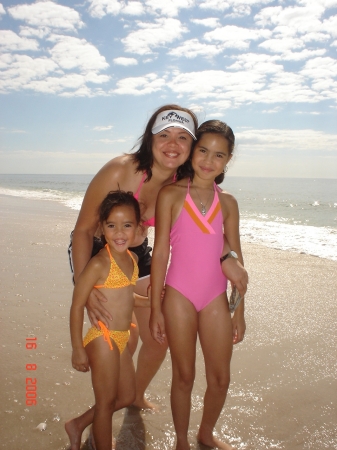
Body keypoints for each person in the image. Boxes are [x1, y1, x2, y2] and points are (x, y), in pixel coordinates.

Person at [66, 105, 248, 443]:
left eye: (182, 137)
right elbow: (82, 230)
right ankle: (97, 412)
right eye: (164, 135)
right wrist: (85, 287)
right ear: (150, 137)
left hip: (137, 255)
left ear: (191, 146)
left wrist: (229, 258)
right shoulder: (122, 169)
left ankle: (134, 395)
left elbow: (209, 231)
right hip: (97, 251)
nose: (172, 144)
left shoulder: (183, 180)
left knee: (158, 337)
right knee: (124, 338)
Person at [150, 120, 246, 450]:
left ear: (228, 159)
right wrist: (155, 309)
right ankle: (180, 440)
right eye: (203, 150)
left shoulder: (229, 202)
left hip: (216, 296)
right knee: (185, 375)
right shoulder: (171, 195)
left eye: (219, 155)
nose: (208, 160)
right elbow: (160, 252)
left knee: (220, 378)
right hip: (178, 295)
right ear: (193, 152)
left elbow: (235, 258)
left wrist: (238, 310)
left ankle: (205, 433)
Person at [68, 190, 147, 450]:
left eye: (127, 225)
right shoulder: (100, 264)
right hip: (103, 338)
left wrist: (154, 302)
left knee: (126, 396)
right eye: (112, 226)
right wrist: (78, 348)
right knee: (105, 403)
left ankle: (77, 424)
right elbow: (77, 304)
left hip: (121, 338)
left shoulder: (133, 259)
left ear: (138, 229)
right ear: (102, 229)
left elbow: (127, 297)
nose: (120, 233)